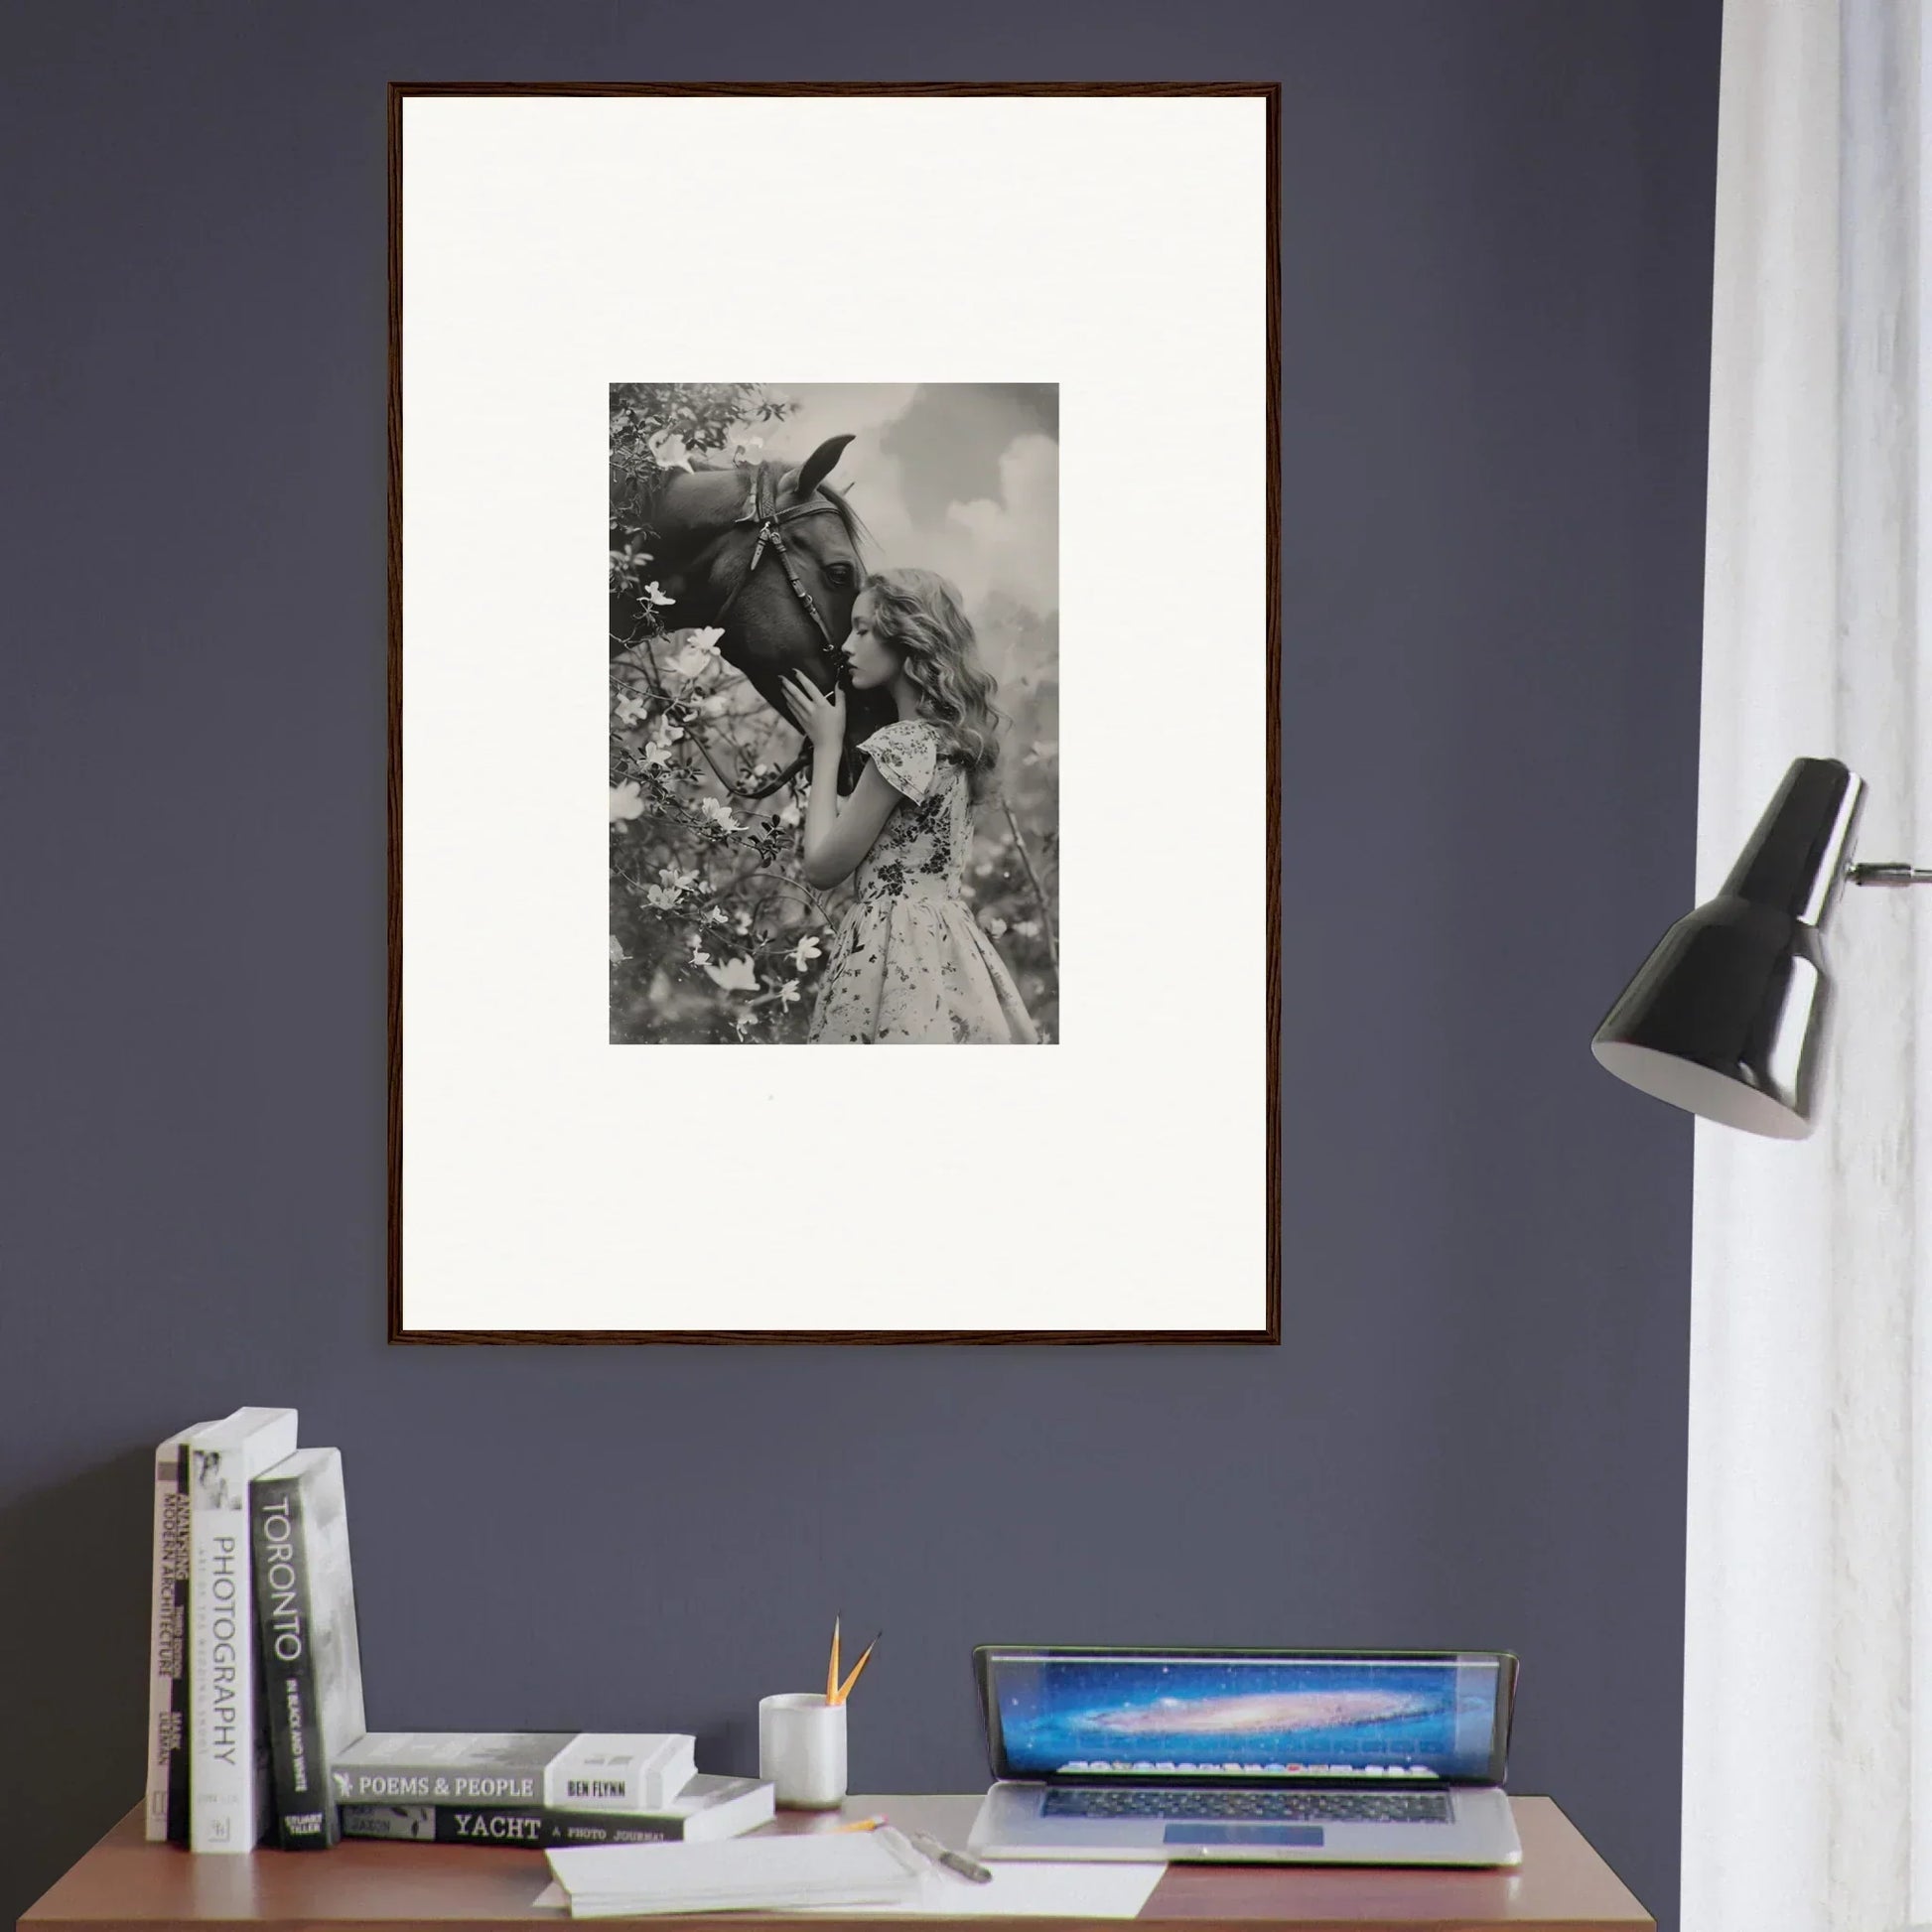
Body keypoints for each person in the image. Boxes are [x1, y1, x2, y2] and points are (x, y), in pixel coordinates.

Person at [780, 567, 1039, 1044]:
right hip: (948, 947)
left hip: (889, 949)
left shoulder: (900, 747)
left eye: (862, 630)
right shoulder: (952, 743)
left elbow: (820, 868)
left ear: (907, 637)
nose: (846, 647)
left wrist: (826, 745)